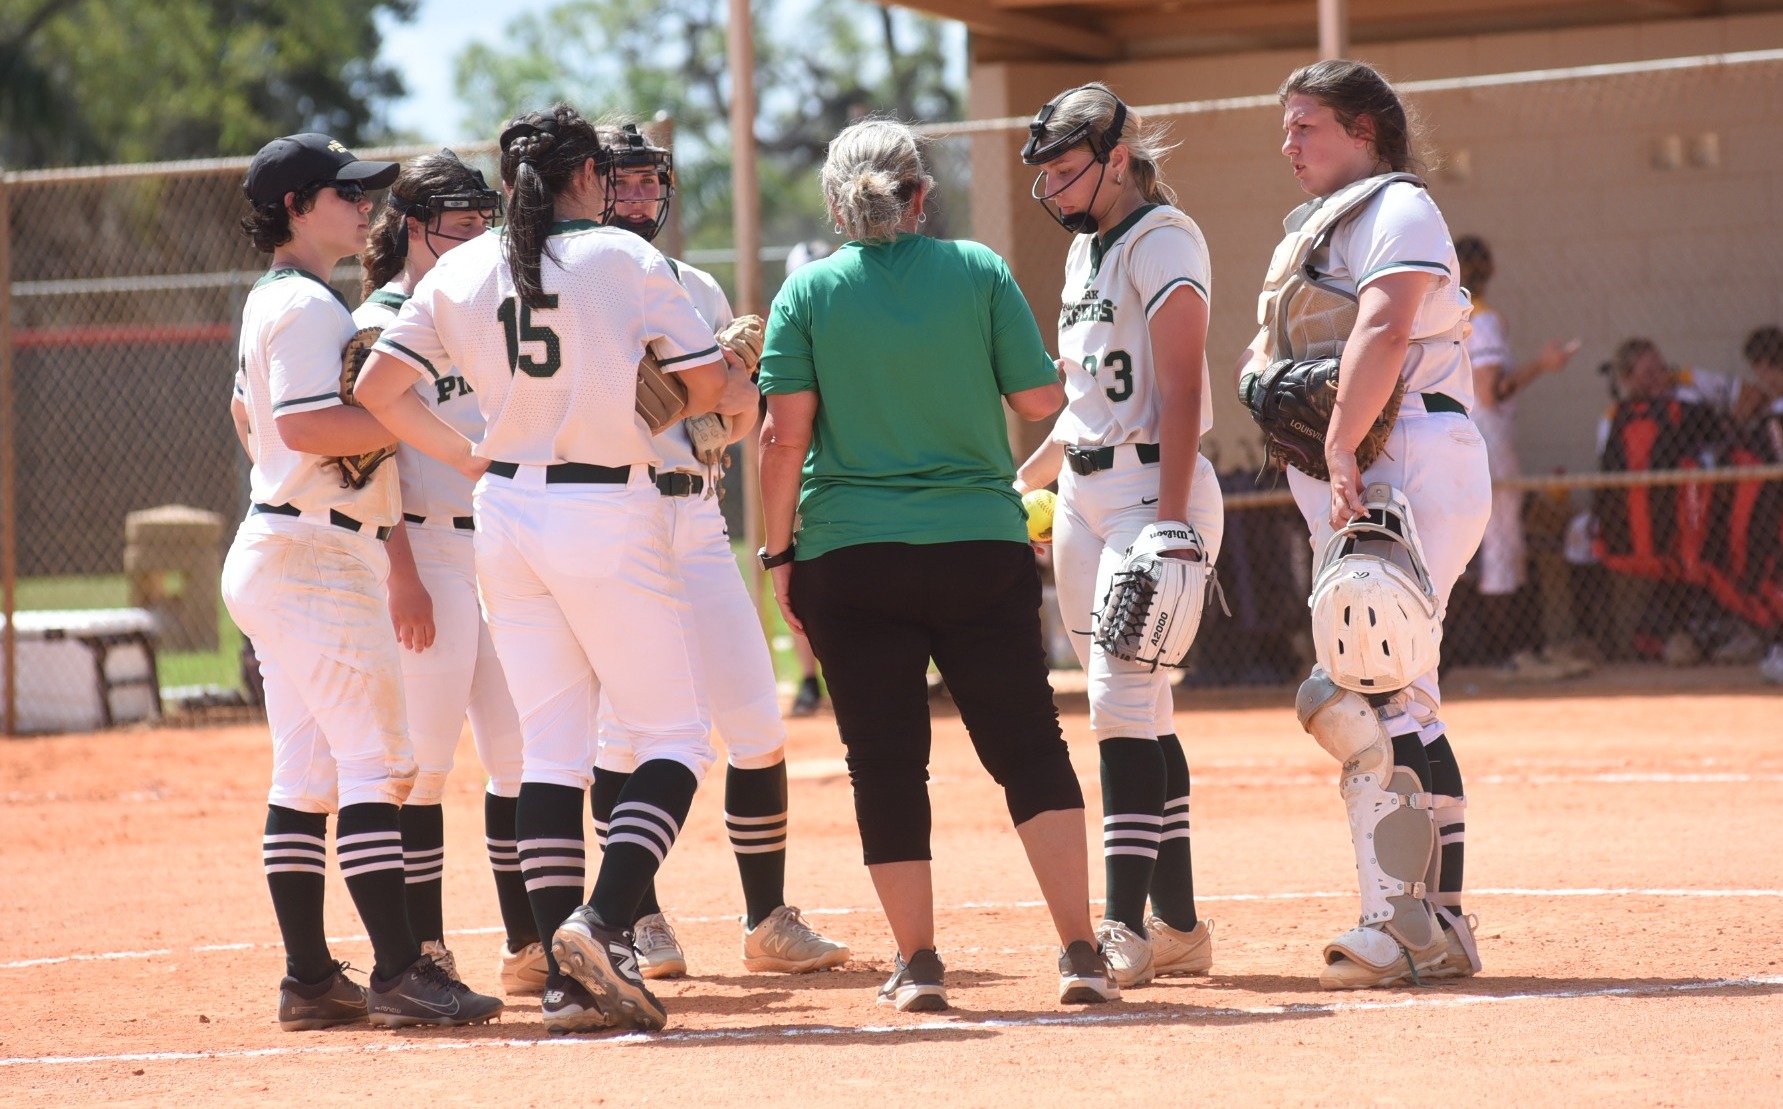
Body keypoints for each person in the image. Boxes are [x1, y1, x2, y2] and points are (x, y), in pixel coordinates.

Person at [353, 103, 740, 1034]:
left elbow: (375, 391)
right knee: (678, 739)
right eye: (602, 169)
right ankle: (601, 923)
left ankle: (565, 985)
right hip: (605, 505)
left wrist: (466, 455)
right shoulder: (626, 256)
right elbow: (709, 390)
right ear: (581, 176)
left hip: (508, 512)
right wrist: (690, 376)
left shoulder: (459, 268)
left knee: (551, 755)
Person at [758, 117, 1116, 1011]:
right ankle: (1080, 951)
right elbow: (1040, 397)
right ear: (919, 193)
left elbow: (780, 437)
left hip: (851, 553)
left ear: (838, 204)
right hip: (975, 545)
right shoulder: (978, 269)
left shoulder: (807, 291)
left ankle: (917, 963)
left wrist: (776, 554)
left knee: (884, 762)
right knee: (1030, 747)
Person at [224, 133, 503, 1030]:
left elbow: (256, 421)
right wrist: (411, 418)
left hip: (288, 546)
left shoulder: (282, 299)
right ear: (298, 207)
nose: (365, 207)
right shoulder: (306, 306)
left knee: (305, 775)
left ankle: (310, 979)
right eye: (345, 193)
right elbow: (309, 429)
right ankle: (399, 970)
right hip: (316, 555)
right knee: (378, 762)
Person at [1236, 61, 1489, 988]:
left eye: (1306, 126)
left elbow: (1383, 333)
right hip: (1359, 466)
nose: (1288, 143)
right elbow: (1291, 348)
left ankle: (1396, 920)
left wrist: (1339, 447)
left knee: (1366, 687)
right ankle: (1439, 923)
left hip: (1403, 453)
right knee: (1396, 690)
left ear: (1363, 130)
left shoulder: (1398, 208)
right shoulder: (1319, 224)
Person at [587, 122, 849, 980]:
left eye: (645, 183)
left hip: (696, 518)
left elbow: (741, 417)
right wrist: (674, 396)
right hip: (614, 518)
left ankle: (766, 918)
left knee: (756, 722)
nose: (636, 199)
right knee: (622, 737)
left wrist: (717, 397)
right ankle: (639, 917)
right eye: (617, 183)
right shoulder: (574, 283)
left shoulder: (690, 284)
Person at [1012, 83, 1222, 989]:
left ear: (1117, 157)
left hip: (1150, 489)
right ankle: (1177, 924)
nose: (1055, 188)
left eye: (1066, 169)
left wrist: (1171, 519)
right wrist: (1020, 481)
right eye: (1048, 173)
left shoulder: (1162, 236)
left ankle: (1122, 925)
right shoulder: (1086, 252)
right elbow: (1083, 403)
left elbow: (1177, 388)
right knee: (1143, 708)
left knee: (1114, 706)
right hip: (1088, 498)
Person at [354, 150, 543, 994]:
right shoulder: (382, 316)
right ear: (411, 224)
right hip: (422, 545)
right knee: (423, 765)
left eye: (480, 215)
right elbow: (369, 463)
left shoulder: (478, 304)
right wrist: (400, 571)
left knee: (520, 753)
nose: (473, 229)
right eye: (454, 215)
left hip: (495, 541)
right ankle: (423, 950)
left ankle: (528, 942)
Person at [1452, 235, 1586, 676]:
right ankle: (1511, 655)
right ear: (1489, 270)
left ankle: (1516, 651)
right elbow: (1493, 391)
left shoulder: (1443, 317)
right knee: (1502, 545)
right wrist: (1542, 367)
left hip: (1458, 443)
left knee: (1492, 545)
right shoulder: (1483, 320)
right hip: (1488, 442)